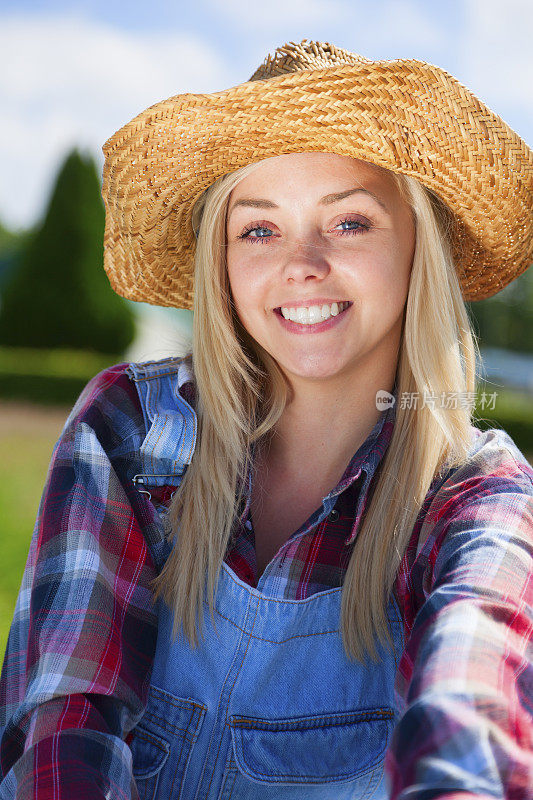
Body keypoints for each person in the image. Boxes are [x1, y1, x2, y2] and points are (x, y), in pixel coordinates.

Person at [0, 39, 532, 800]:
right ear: (220, 260)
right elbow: (61, 722)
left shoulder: (478, 501)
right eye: (257, 228)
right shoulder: (131, 427)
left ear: (421, 250)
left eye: (349, 223)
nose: (301, 263)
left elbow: (467, 731)